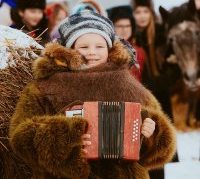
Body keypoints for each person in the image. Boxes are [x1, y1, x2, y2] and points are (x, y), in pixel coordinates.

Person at [9, 10, 176, 179]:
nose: (92, 52)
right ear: (70, 49)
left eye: (99, 46)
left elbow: (163, 149)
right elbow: (20, 138)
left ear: (110, 48)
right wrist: (67, 136)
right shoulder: (44, 87)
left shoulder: (130, 86)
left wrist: (153, 134)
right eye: (83, 46)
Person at [131, 0, 180, 179]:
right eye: (138, 11)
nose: (142, 16)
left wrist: (150, 84)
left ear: (152, 13)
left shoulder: (162, 35)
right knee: (139, 150)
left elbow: (174, 71)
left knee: (157, 150)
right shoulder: (131, 37)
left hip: (160, 99)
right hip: (138, 101)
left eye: (146, 11)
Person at [108, 5, 145, 81]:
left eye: (128, 26)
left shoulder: (139, 51)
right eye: (120, 26)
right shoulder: (106, 50)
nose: (124, 30)